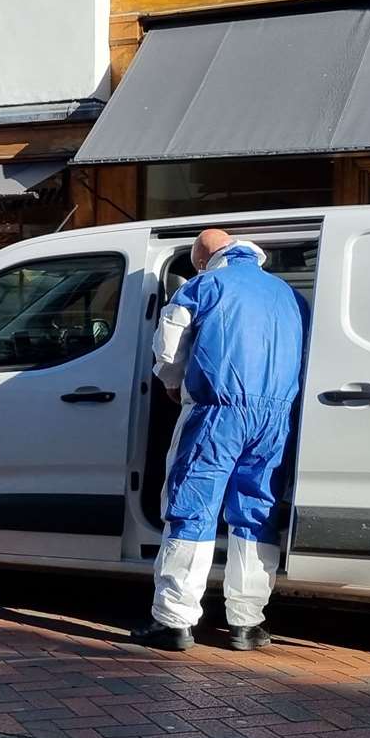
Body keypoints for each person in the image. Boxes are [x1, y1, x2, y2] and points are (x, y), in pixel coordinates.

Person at [132, 228, 308, 653]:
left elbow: (169, 341)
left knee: (192, 509)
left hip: (217, 411)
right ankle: (247, 624)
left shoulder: (204, 285)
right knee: (256, 514)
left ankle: (173, 622)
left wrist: (171, 382)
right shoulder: (289, 295)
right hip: (275, 418)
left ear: (203, 257)